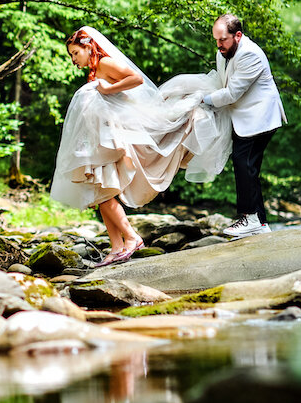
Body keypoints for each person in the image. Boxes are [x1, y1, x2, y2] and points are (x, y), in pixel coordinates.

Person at [51, 26, 231, 265]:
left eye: (75, 53)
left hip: (118, 137)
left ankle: (132, 238)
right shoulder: (96, 69)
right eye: (71, 55)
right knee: (101, 191)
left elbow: (134, 79)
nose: (74, 60)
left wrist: (107, 88)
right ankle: (117, 247)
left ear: (87, 47)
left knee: (103, 192)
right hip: (106, 138)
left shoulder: (104, 64)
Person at [202, 14, 287, 238]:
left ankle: (249, 218)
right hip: (245, 116)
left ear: (237, 35)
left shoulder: (251, 54)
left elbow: (232, 93)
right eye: (216, 40)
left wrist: (204, 100)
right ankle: (260, 224)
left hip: (260, 116)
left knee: (243, 162)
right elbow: (224, 83)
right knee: (249, 167)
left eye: (223, 40)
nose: (218, 45)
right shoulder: (224, 51)